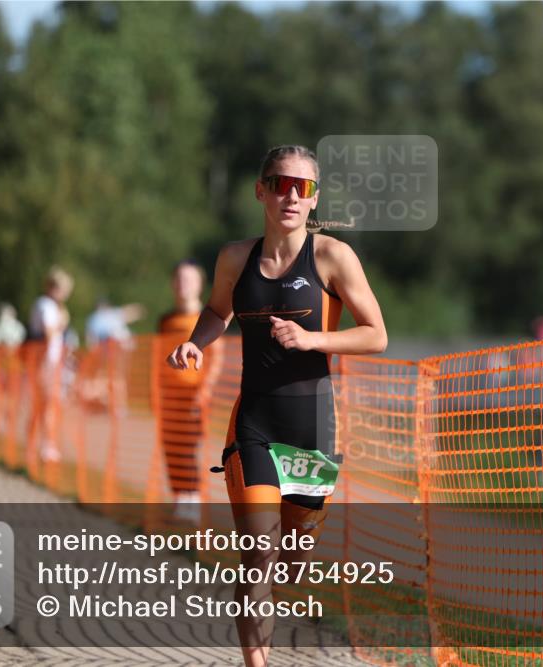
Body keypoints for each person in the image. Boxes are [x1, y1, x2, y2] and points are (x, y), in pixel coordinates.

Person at [166, 144, 387, 667]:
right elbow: (218, 311)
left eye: (302, 187)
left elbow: (376, 334)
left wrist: (313, 341)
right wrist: (199, 340)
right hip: (255, 423)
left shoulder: (332, 257)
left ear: (314, 198)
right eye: (280, 183)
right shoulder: (234, 258)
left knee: (290, 560)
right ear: (260, 190)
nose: (291, 195)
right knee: (258, 555)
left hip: (312, 426)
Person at [157, 260, 225, 520]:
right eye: (179, 278)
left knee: (189, 448)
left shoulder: (205, 319)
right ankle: (179, 500)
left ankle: (193, 502)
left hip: (194, 398)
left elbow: (216, 357)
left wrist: (204, 389)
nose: (182, 284)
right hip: (169, 398)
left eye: (189, 279)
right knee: (170, 448)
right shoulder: (165, 320)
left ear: (199, 285)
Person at [28, 266, 74, 462]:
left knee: (44, 406)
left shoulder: (49, 305)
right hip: (45, 362)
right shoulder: (46, 305)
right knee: (47, 405)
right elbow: (48, 333)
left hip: (48, 362)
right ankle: (46, 446)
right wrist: (62, 324)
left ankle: (35, 445)